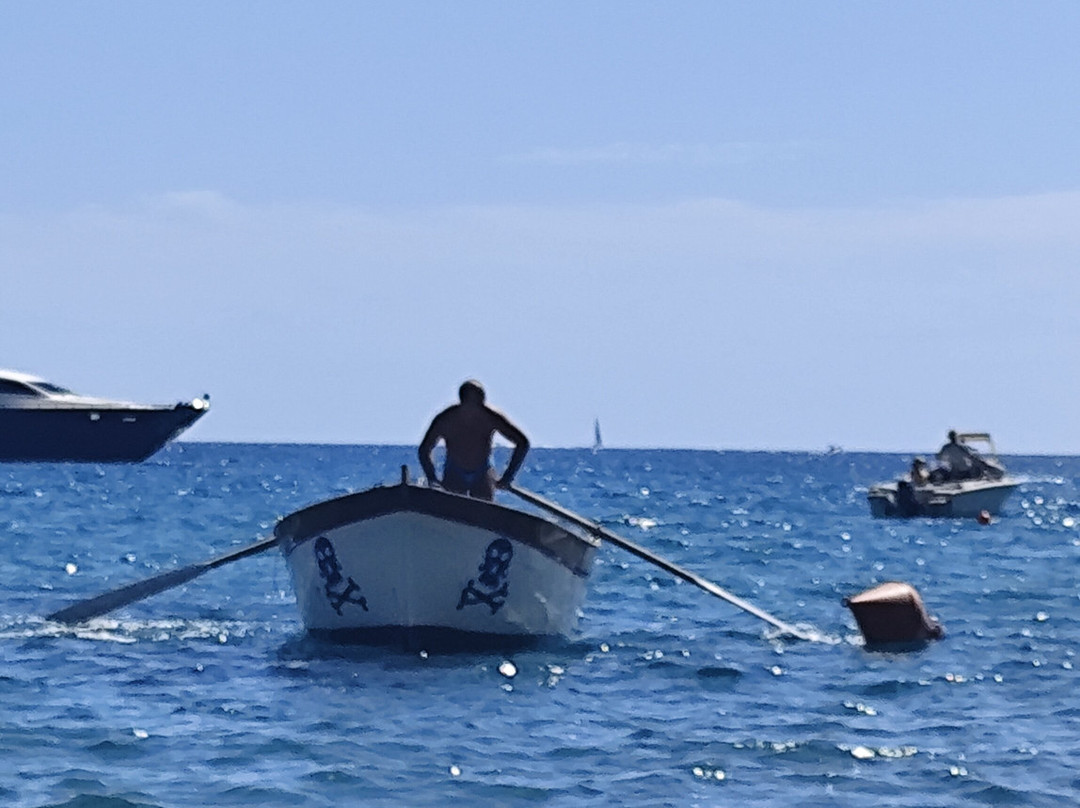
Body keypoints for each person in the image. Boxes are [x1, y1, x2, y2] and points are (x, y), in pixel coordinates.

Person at [418, 380, 530, 501]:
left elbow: (522, 442)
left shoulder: (491, 417)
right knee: (452, 509)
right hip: (455, 470)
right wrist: (432, 478)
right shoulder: (445, 419)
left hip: (482, 471)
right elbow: (424, 449)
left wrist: (508, 477)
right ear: (462, 401)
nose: (476, 409)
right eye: (473, 403)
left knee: (484, 510)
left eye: (480, 403)